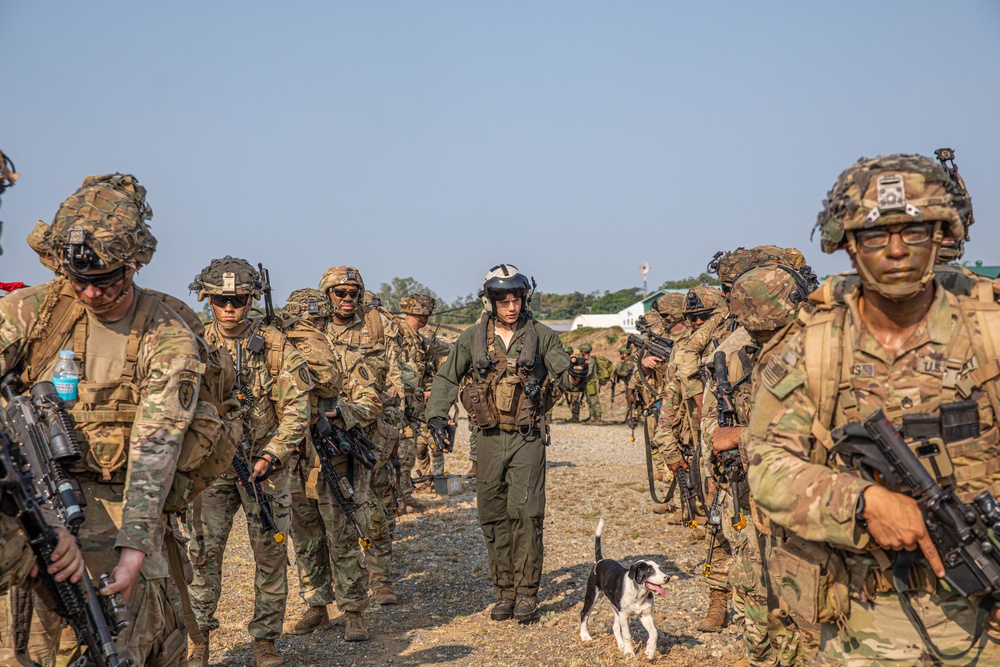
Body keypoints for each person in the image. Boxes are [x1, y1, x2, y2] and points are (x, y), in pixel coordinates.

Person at [748, 153, 1000, 665]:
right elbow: (766, 466)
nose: (896, 251)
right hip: (862, 622)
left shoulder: (989, 332)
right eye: (874, 236)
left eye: (914, 230)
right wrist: (860, 502)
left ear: (941, 235)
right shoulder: (816, 347)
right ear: (847, 245)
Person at [7, 174, 200, 666]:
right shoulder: (31, 313)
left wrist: (134, 547)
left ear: (134, 264)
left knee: (122, 641)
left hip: (123, 510)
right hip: (31, 507)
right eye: (79, 282)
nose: (91, 295)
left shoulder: (167, 333)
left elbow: (157, 449)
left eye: (106, 281)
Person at [425, 264, 585, 624]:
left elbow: (565, 375)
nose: (511, 307)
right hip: (488, 438)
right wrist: (436, 415)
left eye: (516, 299)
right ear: (490, 302)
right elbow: (447, 377)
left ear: (524, 299)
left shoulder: (542, 335)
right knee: (493, 516)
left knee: (527, 513)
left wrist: (576, 374)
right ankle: (505, 591)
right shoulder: (472, 338)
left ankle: (527, 592)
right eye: (503, 300)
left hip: (527, 436)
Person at [186, 257, 311, 667]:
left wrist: (272, 453)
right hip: (210, 471)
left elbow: (297, 409)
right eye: (221, 300)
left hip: (264, 468)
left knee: (271, 556)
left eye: (238, 300)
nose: (229, 308)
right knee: (202, 556)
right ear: (208, 300)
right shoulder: (193, 342)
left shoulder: (275, 345)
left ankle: (265, 641)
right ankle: (198, 637)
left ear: (251, 299)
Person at [701, 265, 814, 667]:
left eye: (767, 332)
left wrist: (742, 439)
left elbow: (811, 437)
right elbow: (714, 422)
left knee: (805, 606)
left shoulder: (818, 354)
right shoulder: (740, 351)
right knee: (753, 584)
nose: (762, 340)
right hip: (757, 499)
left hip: (808, 505)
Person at [279, 288, 382, 641]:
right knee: (306, 539)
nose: (308, 329)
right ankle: (317, 605)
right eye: (299, 323)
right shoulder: (279, 359)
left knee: (343, 537)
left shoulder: (346, 357)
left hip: (334, 462)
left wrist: (342, 413)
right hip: (294, 462)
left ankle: (353, 611)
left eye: (315, 321)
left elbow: (372, 402)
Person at [319, 266, 409, 621]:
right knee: (333, 508)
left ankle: (380, 577)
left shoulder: (377, 325)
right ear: (327, 294)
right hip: (329, 431)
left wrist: (389, 429)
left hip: (372, 428)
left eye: (353, 293)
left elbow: (398, 379)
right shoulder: (315, 327)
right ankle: (336, 589)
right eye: (339, 293)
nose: (347, 299)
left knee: (376, 505)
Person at [396, 294, 452, 492]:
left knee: (412, 449)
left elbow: (444, 348)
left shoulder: (416, 337)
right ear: (424, 313)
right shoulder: (399, 335)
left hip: (413, 403)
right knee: (406, 451)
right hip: (399, 406)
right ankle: (402, 496)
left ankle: (408, 493)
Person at [578, 343, 602, 422]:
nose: (580, 352)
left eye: (581, 351)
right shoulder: (585, 360)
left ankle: (598, 418)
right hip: (587, 383)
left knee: (594, 401)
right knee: (589, 400)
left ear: (584, 352)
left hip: (592, 383)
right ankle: (592, 417)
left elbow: (589, 372)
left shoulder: (590, 361)